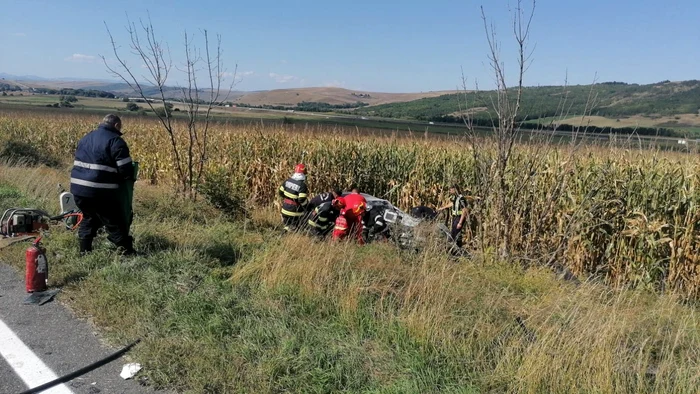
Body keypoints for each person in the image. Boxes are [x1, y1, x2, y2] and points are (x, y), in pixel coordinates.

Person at [70, 114, 136, 255]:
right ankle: (127, 252)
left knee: (89, 217)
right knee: (114, 221)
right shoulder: (115, 141)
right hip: (100, 191)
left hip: (79, 189)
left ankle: (84, 251)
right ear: (117, 125)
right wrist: (128, 177)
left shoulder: (86, 137)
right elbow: (125, 168)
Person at [278, 163, 309, 232]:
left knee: (287, 226)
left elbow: (280, 192)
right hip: (294, 211)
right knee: (296, 227)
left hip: (284, 209)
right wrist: (306, 207)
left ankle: (283, 235)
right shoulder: (302, 185)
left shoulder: (287, 181)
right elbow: (301, 200)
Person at [438, 184, 469, 249]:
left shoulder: (461, 198)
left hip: (459, 218)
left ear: (455, 189)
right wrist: (443, 208)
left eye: (451, 189)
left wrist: (460, 222)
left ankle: (457, 249)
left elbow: (464, 210)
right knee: (454, 233)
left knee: (455, 234)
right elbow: (452, 204)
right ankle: (456, 248)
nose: (450, 191)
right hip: (455, 218)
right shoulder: (455, 197)